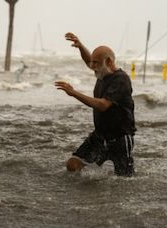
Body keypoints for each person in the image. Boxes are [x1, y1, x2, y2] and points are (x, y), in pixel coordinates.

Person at [55, 32, 136, 177]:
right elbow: (89, 61)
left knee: (124, 181)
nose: (92, 66)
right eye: (92, 63)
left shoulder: (121, 79)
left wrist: (74, 93)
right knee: (73, 165)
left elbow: (103, 105)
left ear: (109, 62)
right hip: (99, 136)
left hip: (120, 138)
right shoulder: (101, 72)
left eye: (96, 63)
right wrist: (80, 46)